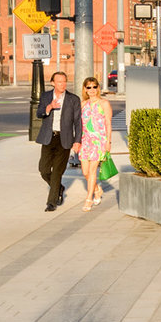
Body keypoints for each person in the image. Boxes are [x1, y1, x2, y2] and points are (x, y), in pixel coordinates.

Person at [31, 68, 84, 213]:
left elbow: (78, 122)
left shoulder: (73, 99)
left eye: (64, 81)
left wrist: (77, 140)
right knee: (43, 169)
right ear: (53, 83)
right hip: (48, 137)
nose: (62, 84)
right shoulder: (46, 96)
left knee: (57, 172)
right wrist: (49, 107)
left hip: (65, 138)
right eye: (59, 81)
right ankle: (59, 188)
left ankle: (51, 202)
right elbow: (40, 113)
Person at [73, 76, 115, 211]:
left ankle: (89, 198)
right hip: (85, 141)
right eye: (88, 87)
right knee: (85, 171)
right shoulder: (82, 104)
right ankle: (97, 189)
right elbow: (78, 124)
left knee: (92, 171)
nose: (91, 90)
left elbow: (108, 123)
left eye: (94, 87)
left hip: (98, 141)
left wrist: (108, 141)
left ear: (98, 88)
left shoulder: (104, 103)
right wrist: (77, 141)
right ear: (85, 89)